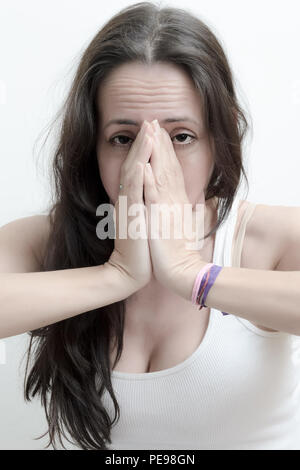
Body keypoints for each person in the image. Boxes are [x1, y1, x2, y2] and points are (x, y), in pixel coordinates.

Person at [1, 2, 300, 451]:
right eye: (124, 139)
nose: (151, 161)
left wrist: (192, 273)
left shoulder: (267, 238)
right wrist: (115, 275)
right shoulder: (46, 241)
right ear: (91, 148)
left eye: (181, 137)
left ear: (220, 140)